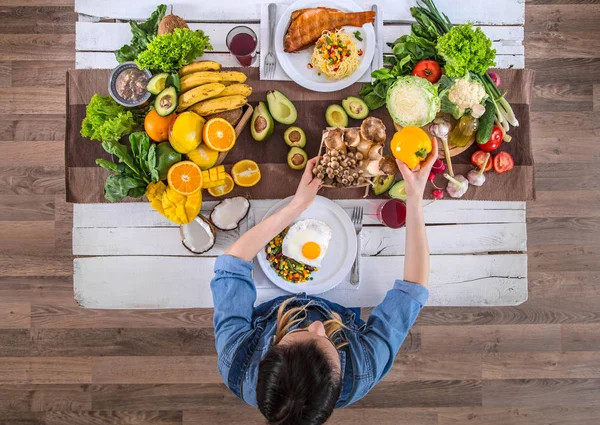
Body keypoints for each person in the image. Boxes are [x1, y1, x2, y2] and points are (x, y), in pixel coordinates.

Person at [210, 142, 438, 425]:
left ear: (267, 353)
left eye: (300, 332)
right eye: (328, 341)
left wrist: (298, 205)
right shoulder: (363, 370)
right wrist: (415, 197)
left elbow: (231, 267)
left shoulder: (236, 362)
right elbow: (413, 290)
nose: (318, 325)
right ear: (339, 378)